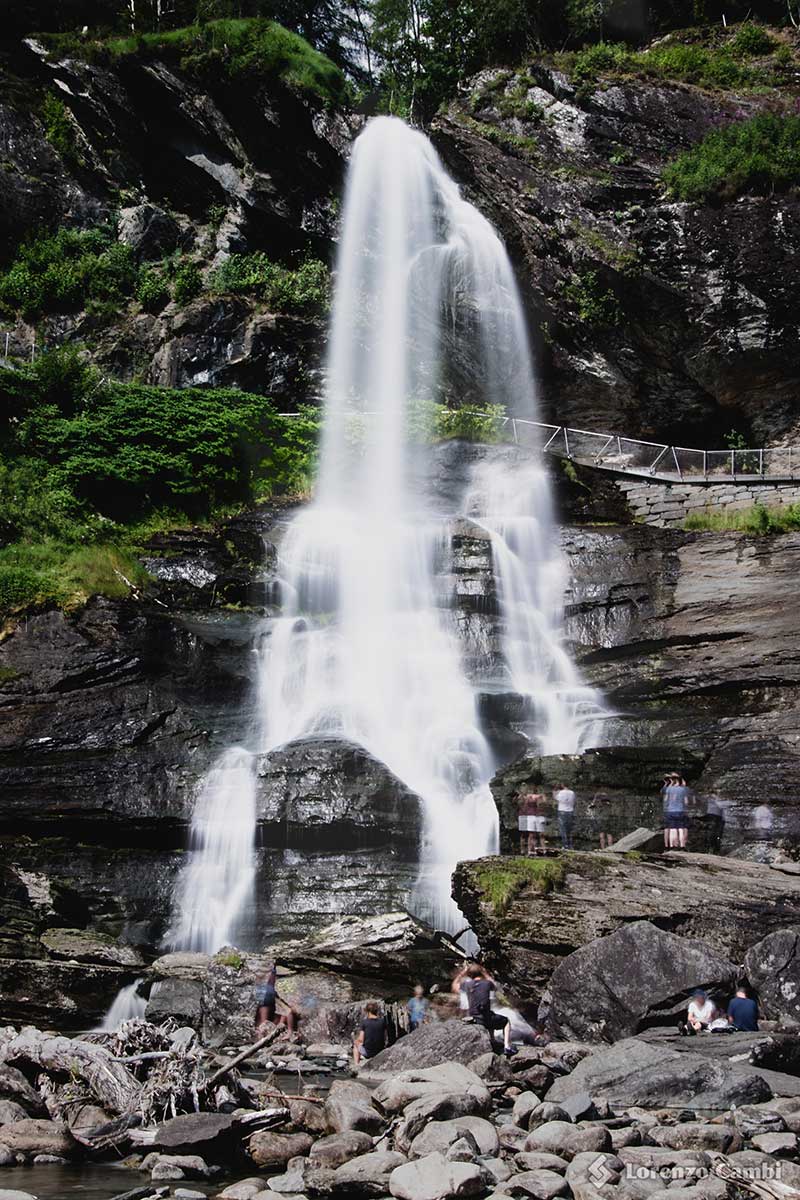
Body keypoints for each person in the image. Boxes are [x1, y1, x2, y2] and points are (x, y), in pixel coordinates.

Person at [464, 963, 517, 1057]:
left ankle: (493, 1040)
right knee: (506, 1021)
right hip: (483, 1019)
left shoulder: (467, 985)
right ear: (481, 973)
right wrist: (485, 973)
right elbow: (495, 986)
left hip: (472, 1017)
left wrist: (464, 972)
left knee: (490, 1013)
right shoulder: (487, 983)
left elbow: (455, 985)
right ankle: (507, 1047)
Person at [254, 963, 297, 1033]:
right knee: (284, 1012)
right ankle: (288, 1030)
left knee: (263, 1018)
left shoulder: (263, 967)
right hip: (270, 992)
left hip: (264, 992)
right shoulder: (273, 969)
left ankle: (261, 1031)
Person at [353, 1001, 387, 1066]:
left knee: (356, 1044)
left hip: (368, 1052)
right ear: (376, 1011)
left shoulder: (365, 1022)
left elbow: (361, 1039)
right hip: (380, 1051)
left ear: (367, 1011)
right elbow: (385, 1036)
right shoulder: (382, 1021)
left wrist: (356, 1041)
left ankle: (356, 1064)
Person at [663, 772, 690, 850]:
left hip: (670, 811)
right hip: (680, 810)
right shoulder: (682, 790)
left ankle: (672, 846)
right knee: (681, 829)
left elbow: (665, 800)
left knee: (672, 829)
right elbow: (686, 802)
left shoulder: (669, 789)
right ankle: (682, 846)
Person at [554, 782, 577, 850]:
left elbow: (555, 798)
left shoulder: (560, 792)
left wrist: (555, 789)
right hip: (570, 811)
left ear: (562, 785)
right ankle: (570, 845)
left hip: (562, 811)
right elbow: (574, 801)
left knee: (562, 829)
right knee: (569, 829)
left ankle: (565, 845)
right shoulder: (572, 792)